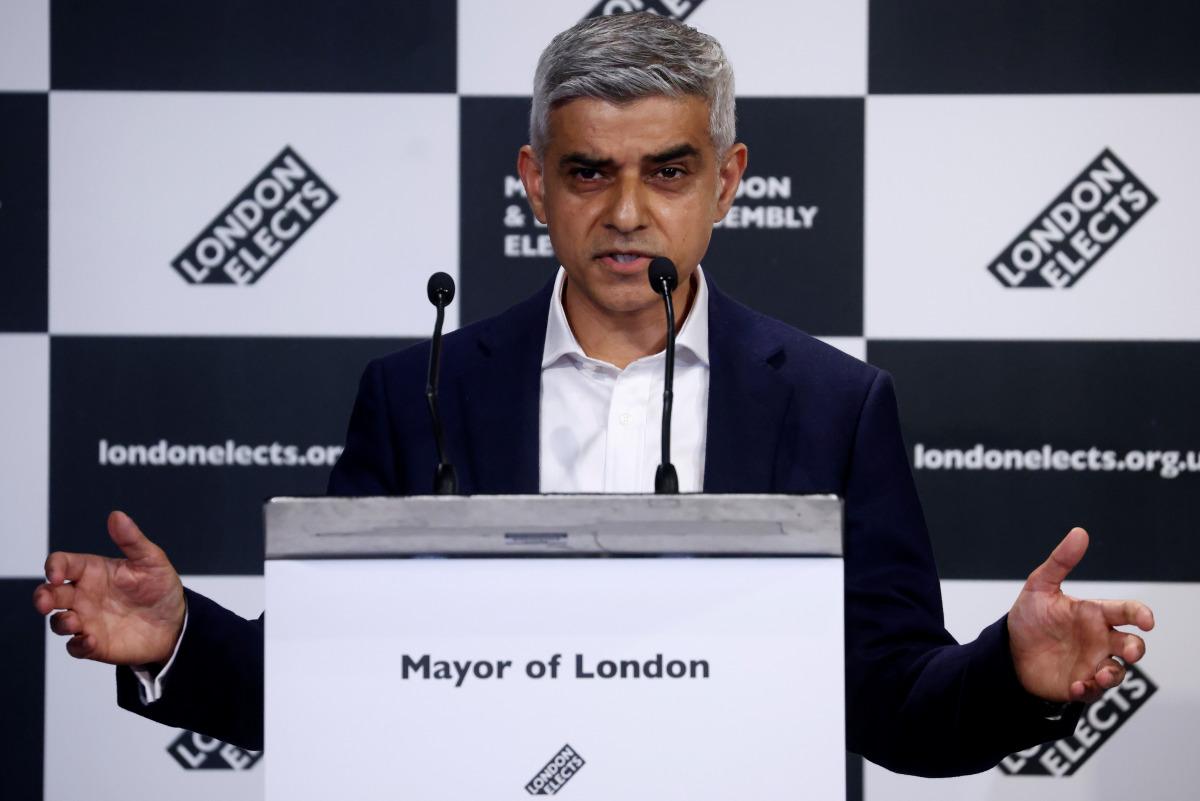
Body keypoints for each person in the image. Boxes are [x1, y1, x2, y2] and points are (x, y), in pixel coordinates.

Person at [33, 12, 1153, 777]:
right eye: (588, 172)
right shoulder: (418, 390)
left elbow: (889, 704)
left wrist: (1012, 675)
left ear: (728, 180)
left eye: (667, 171)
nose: (627, 212)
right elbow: (334, 683)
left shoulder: (834, 402)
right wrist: (182, 637)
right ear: (533, 183)